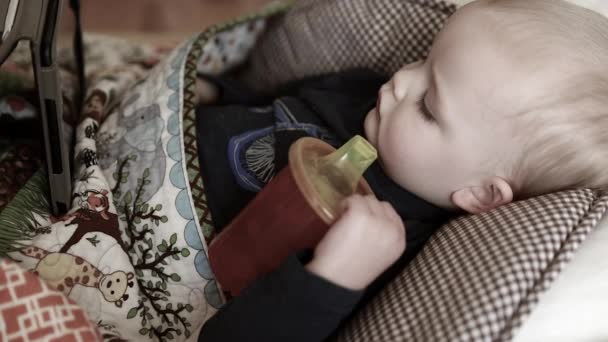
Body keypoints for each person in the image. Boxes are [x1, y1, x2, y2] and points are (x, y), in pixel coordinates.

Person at [195, 0, 608, 340]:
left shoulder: (388, 241)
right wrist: (217, 93)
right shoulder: (366, 97)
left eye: (428, 106)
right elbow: (269, 104)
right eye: (422, 59)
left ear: (482, 194)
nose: (401, 81)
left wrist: (330, 279)